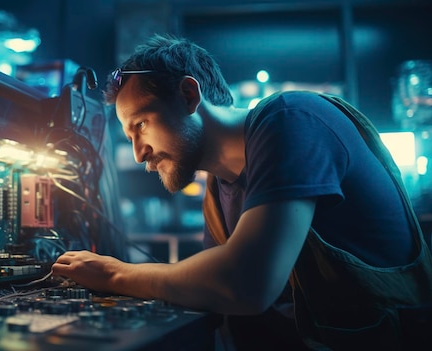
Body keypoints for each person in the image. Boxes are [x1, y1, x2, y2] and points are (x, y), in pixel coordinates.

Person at [51, 34, 432, 350]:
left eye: (142, 124)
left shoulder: (291, 118)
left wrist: (116, 276)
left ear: (188, 95)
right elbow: (211, 289)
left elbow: (245, 284)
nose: (138, 153)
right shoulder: (219, 189)